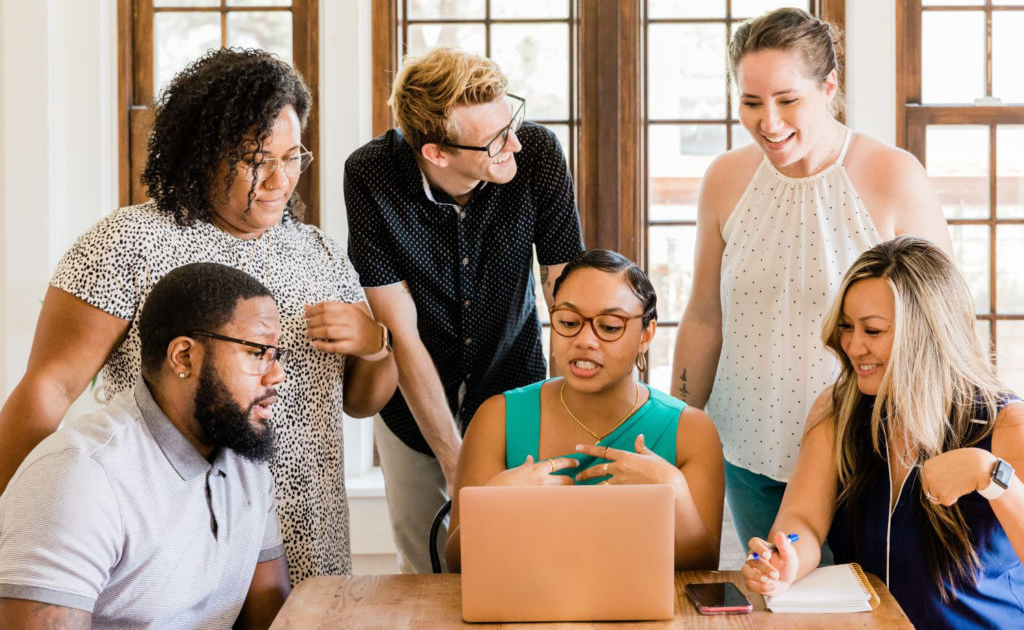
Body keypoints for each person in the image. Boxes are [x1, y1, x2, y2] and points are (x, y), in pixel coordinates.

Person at [0, 48, 397, 583]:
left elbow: (361, 401)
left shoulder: (318, 252)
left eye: (293, 157)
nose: (282, 180)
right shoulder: (127, 242)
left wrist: (375, 343)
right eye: (259, 161)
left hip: (313, 534)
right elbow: (49, 386)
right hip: (182, 540)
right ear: (202, 154)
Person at [670, 7, 952, 549]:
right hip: (748, 455)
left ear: (828, 87)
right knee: (782, 605)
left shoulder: (894, 177)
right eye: (750, 103)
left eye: (787, 99)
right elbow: (705, 316)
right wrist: (678, 425)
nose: (768, 122)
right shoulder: (725, 179)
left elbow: (941, 327)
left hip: (864, 456)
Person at [344, 46, 584, 573]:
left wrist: (576, 422)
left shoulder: (537, 154)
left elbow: (567, 300)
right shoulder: (371, 175)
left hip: (513, 384)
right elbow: (398, 330)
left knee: (521, 561)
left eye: (511, 122)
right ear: (437, 153)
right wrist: (456, 464)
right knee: (427, 565)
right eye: (495, 139)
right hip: (411, 403)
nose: (513, 144)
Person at [742, 237, 1024, 629]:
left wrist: (991, 475)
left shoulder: (1005, 423)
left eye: (872, 331)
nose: (853, 346)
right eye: (846, 327)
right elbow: (802, 518)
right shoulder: (837, 409)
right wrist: (785, 559)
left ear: (927, 332)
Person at [0, 263, 292, 630]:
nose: (277, 373)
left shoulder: (247, 466)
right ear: (184, 356)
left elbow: (272, 620)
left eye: (276, 354)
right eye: (256, 352)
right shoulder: (79, 476)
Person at [445, 249, 724, 572]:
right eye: (568, 322)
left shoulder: (692, 431)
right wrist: (495, 506)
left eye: (608, 326)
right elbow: (456, 564)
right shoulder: (497, 418)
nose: (585, 340)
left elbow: (703, 568)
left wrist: (673, 492)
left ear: (646, 335)